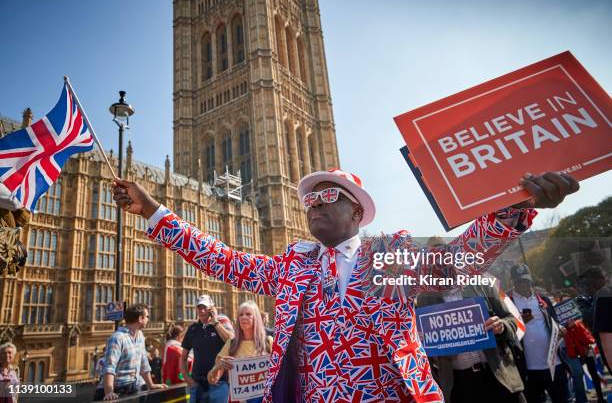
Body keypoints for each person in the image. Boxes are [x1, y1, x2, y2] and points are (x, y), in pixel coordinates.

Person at [113, 168, 578, 402]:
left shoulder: (388, 254)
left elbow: (456, 262)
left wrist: (516, 210)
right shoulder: (292, 265)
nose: (312, 206)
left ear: (356, 212)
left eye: (325, 198)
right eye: (308, 201)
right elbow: (223, 260)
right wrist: (154, 210)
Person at [418, 283, 526, 403]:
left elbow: (510, 319)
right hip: (461, 384)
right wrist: (422, 340)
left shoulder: (482, 284)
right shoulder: (424, 297)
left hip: (500, 375)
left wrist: (502, 326)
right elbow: (424, 342)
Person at [508, 264, 570, 403]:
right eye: (519, 281)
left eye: (525, 280)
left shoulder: (543, 298)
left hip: (555, 364)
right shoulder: (507, 302)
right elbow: (505, 331)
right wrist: (518, 323)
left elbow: (555, 322)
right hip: (529, 369)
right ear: (512, 282)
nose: (523, 284)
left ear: (530, 279)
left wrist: (560, 330)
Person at [94, 304, 166, 401]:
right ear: (140, 319)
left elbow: (144, 364)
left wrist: (151, 385)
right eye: (147, 316)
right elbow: (109, 367)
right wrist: (109, 392)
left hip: (132, 388)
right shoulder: (117, 338)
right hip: (115, 390)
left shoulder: (140, 336)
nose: (149, 319)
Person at [208, 301, 272, 403]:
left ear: (256, 318)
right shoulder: (231, 344)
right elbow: (212, 379)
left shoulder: (268, 342)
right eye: (240, 315)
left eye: (248, 314)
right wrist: (218, 367)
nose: (243, 317)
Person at [180, 295, 234, 403]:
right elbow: (183, 357)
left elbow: (232, 342)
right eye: (199, 307)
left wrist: (216, 322)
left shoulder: (221, 325)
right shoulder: (193, 328)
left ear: (211, 309)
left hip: (219, 383)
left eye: (204, 307)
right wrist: (188, 379)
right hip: (197, 385)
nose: (201, 310)